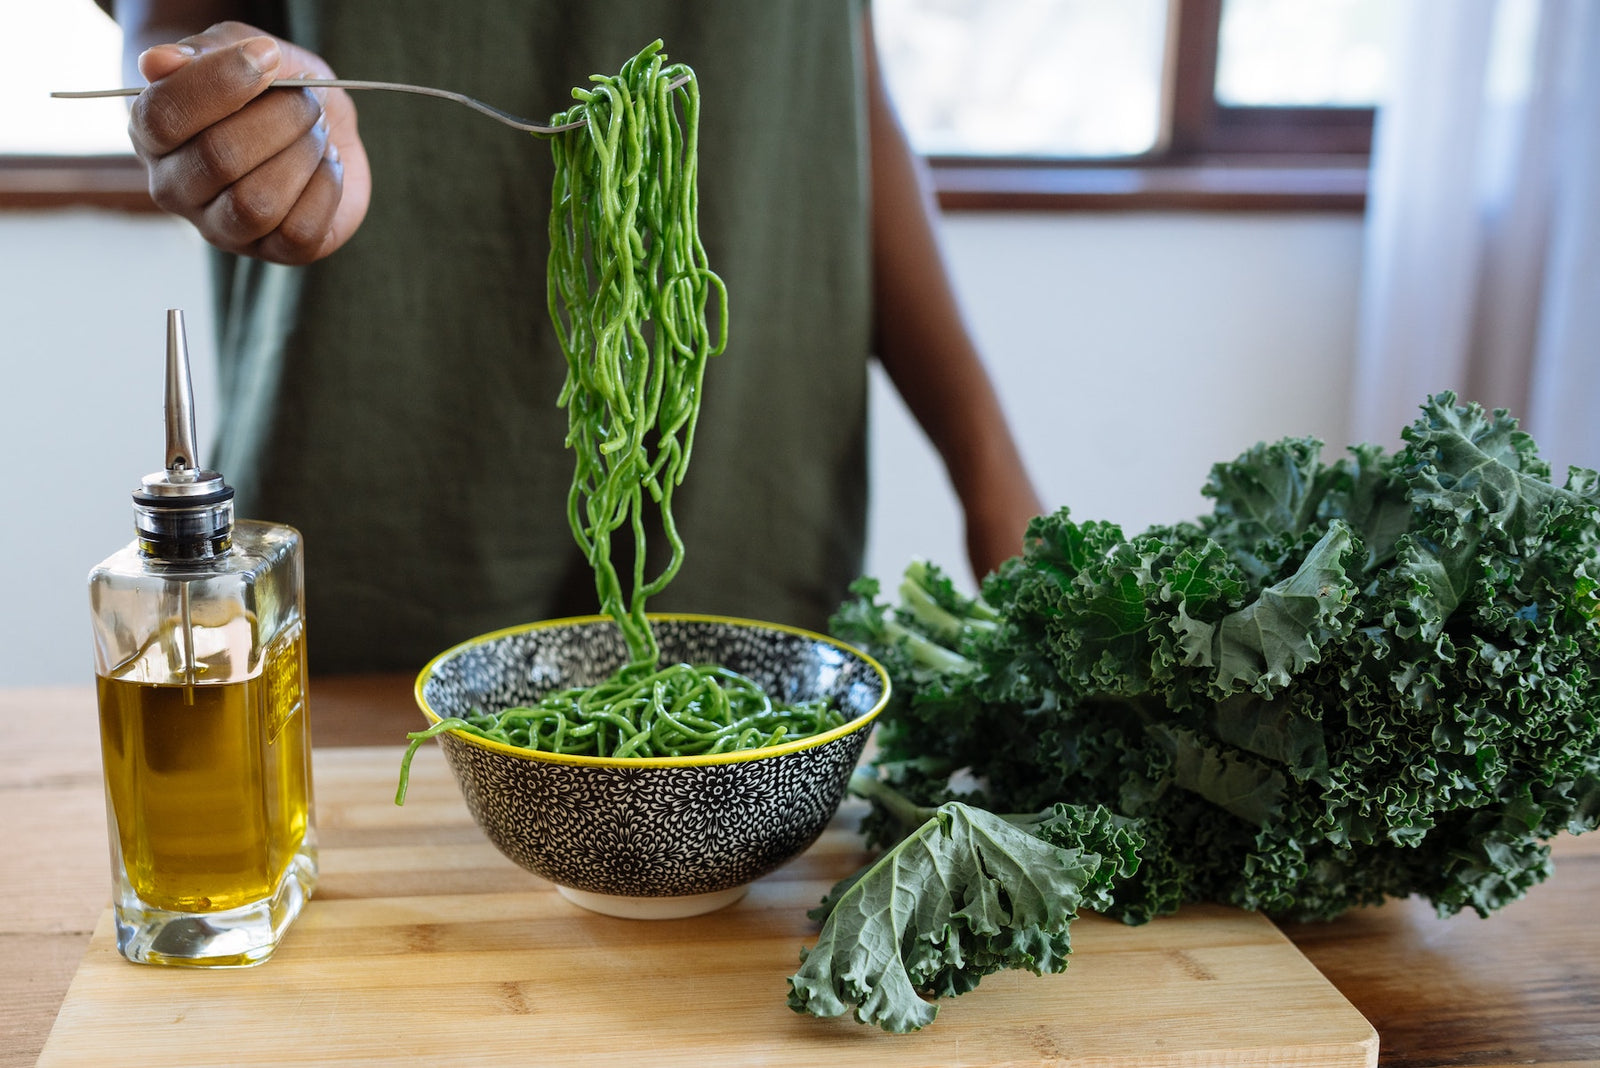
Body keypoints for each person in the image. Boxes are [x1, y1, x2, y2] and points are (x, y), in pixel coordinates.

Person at [100, 1, 1044, 672]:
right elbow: (173, 20)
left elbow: (840, 71)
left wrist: (991, 474)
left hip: (751, 519)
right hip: (385, 508)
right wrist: (228, 99)